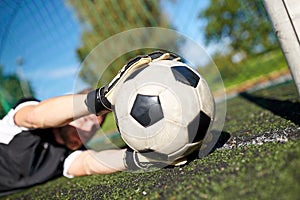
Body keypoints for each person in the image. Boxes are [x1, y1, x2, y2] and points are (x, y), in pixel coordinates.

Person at [0, 51, 183, 195]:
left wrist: (145, 157)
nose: (89, 124)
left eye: (94, 127)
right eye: (87, 116)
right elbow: (37, 116)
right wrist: (102, 99)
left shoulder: (67, 157)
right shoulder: (22, 116)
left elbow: (89, 164)